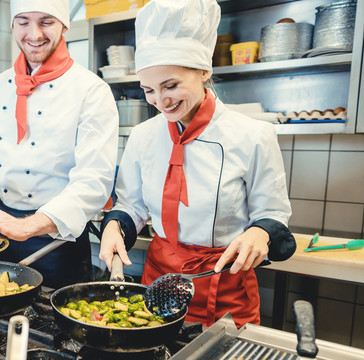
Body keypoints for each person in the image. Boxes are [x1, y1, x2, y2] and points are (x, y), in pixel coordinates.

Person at [99, 0, 296, 327]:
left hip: (225, 287)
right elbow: (132, 205)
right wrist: (114, 226)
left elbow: (272, 213)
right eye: (148, 90)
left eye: (171, 85)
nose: (160, 101)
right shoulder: (142, 137)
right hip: (157, 284)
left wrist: (260, 233)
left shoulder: (253, 135)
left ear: (204, 71)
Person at [0, 0, 119, 288]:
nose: (34, 34)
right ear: (13, 24)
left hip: (59, 242)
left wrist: (27, 226)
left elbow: (94, 182)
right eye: (23, 21)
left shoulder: (91, 90)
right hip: (2, 232)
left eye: (46, 22)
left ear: (64, 24)